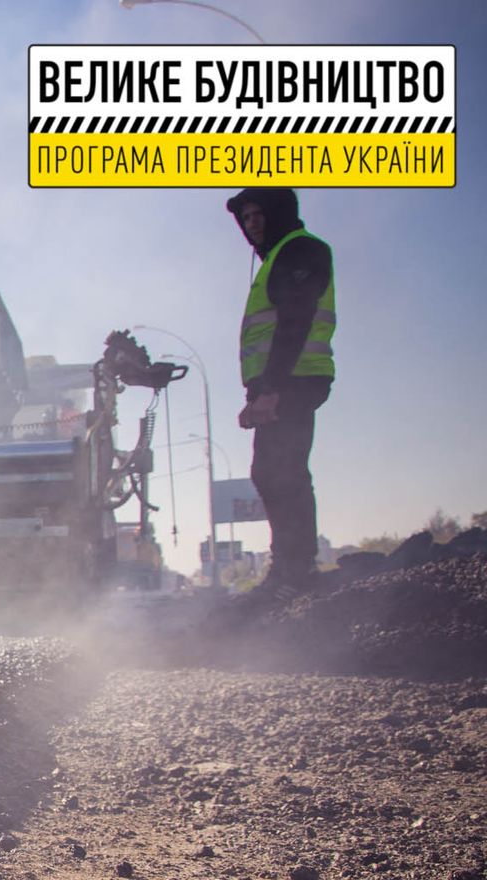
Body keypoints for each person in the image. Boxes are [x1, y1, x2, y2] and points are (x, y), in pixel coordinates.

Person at [226, 186, 335, 600]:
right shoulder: (278, 259)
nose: (252, 223)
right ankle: (291, 566)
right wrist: (256, 395)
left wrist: (270, 389)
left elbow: (294, 322)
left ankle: (297, 569)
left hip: (296, 379)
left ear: (280, 213)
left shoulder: (301, 250)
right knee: (271, 471)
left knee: (283, 471)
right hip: (283, 382)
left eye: (259, 214)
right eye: (247, 217)